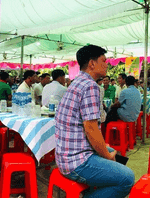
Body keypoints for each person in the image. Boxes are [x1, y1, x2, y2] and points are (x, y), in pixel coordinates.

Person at [55, 45, 134, 197]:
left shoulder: (76, 83)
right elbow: (91, 129)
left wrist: (105, 150)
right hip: (76, 161)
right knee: (127, 178)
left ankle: (93, 191)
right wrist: (105, 154)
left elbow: (88, 129)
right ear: (92, 63)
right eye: (104, 60)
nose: (107, 64)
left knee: (114, 154)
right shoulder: (91, 86)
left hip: (65, 156)